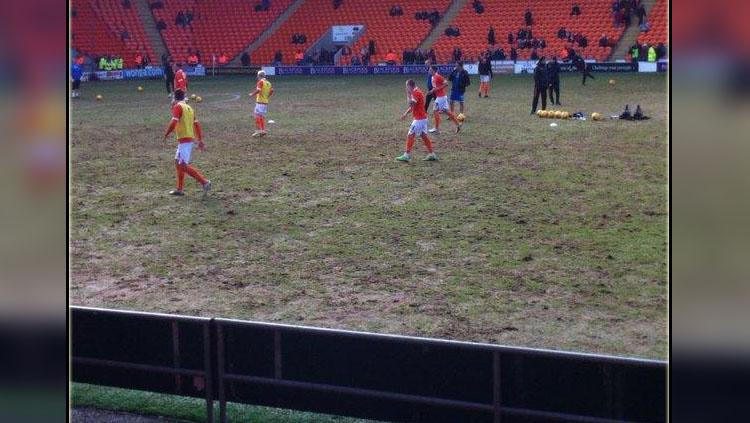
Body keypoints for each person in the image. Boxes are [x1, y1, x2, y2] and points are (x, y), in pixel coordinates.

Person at [162, 89, 211, 196]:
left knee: (183, 165)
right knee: (177, 162)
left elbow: (173, 122)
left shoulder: (178, 107)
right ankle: (179, 189)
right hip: (188, 139)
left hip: (184, 140)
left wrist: (166, 134)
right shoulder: (189, 108)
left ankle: (204, 182)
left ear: (174, 97)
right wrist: (200, 140)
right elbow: (197, 124)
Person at [395, 79, 437, 162]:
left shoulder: (416, 93)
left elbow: (411, 104)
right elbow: (413, 106)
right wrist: (406, 113)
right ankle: (432, 154)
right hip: (422, 118)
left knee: (410, 134)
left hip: (419, 119)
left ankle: (406, 155)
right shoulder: (416, 91)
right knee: (424, 136)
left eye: (407, 87)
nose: (406, 88)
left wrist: (408, 94)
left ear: (409, 86)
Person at [427, 66, 461, 134]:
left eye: (430, 70)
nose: (429, 71)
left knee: (435, 111)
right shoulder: (432, 77)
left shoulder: (438, 76)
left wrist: (438, 88)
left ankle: (436, 129)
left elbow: (446, 84)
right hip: (440, 97)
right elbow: (435, 87)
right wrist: (431, 91)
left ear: (434, 70)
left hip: (441, 97)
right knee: (447, 112)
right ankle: (458, 125)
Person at [249, 70, 274, 137]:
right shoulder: (268, 83)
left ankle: (258, 131)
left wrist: (252, 94)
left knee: (257, 116)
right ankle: (263, 130)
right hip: (265, 102)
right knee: (262, 117)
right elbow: (272, 90)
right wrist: (267, 97)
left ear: (258, 76)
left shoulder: (260, 82)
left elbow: (258, 90)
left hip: (260, 102)